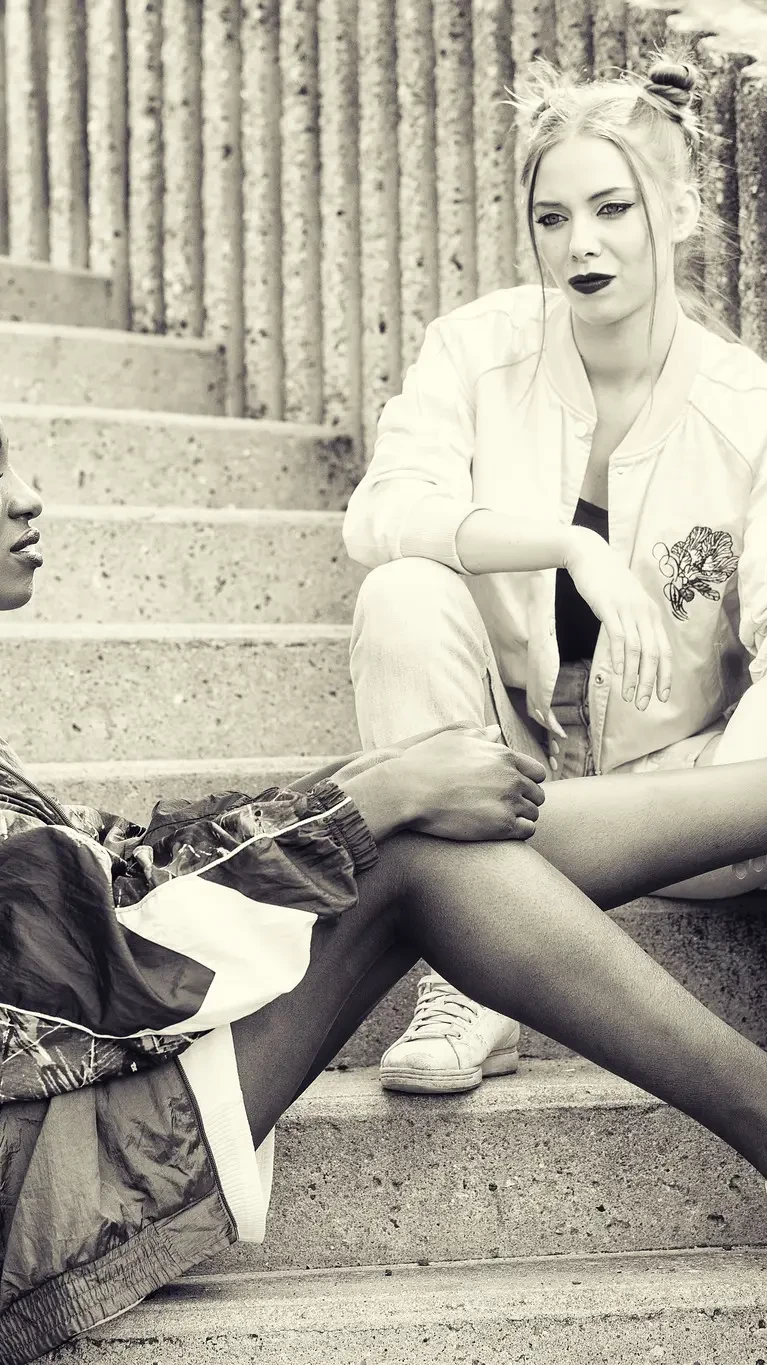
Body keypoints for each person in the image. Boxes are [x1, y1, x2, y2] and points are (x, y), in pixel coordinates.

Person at [4, 437, 767, 1361]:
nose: (28, 496)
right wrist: (367, 805)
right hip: (49, 1163)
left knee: (397, 809)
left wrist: (365, 789)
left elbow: (102, 876)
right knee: (410, 850)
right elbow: (84, 956)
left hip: (70, 1103)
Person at [343, 52, 767, 1095]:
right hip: (494, 757)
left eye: (612, 208)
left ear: (678, 212)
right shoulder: (474, 348)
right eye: (551, 217)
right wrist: (567, 543)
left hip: (669, 791)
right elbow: (382, 512)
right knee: (402, 591)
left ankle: (458, 910)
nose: (580, 243)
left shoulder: (745, 409)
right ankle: (467, 972)